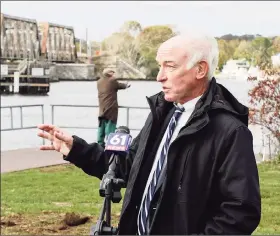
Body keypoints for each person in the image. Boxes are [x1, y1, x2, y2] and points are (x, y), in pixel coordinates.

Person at [37, 33, 261, 235]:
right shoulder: (162, 114)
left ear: (200, 70)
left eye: (170, 66)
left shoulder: (230, 131)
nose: (160, 76)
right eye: (159, 66)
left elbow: (240, 212)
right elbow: (128, 166)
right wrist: (76, 149)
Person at [97, 68, 131, 147]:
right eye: (112, 72)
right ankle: (110, 143)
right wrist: (127, 85)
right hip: (111, 108)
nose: (114, 73)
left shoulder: (99, 82)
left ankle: (100, 143)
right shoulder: (112, 80)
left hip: (102, 108)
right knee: (110, 126)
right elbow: (120, 85)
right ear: (109, 73)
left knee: (101, 126)